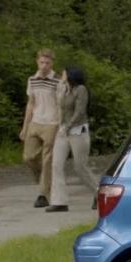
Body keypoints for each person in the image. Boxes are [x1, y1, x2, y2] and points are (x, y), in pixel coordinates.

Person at [47, 67, 100, 213]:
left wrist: (68, 126)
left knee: (80, 167)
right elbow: (61, 109)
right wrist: (61, 126)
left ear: (70, 75)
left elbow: (80, 111)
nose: (61, 75)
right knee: (56, 165)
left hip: (78, 131)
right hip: (63, 131)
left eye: (64, 73)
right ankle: (59, 201)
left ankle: (99, 193)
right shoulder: (65, 89)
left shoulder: (81, 89)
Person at [20, 49, 60, 208]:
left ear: (52, 64)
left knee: (47, 158)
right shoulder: (32, 79)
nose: (44, 66)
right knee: (29, 157)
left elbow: (60, 104)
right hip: (36, 121)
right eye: (42, 62)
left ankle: (43, 194)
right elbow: (31, 103)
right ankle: (43, 178)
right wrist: (25, 126)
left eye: (47, 63)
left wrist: (60, 125)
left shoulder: (57, 81)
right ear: (37, 62)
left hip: (52, 122)